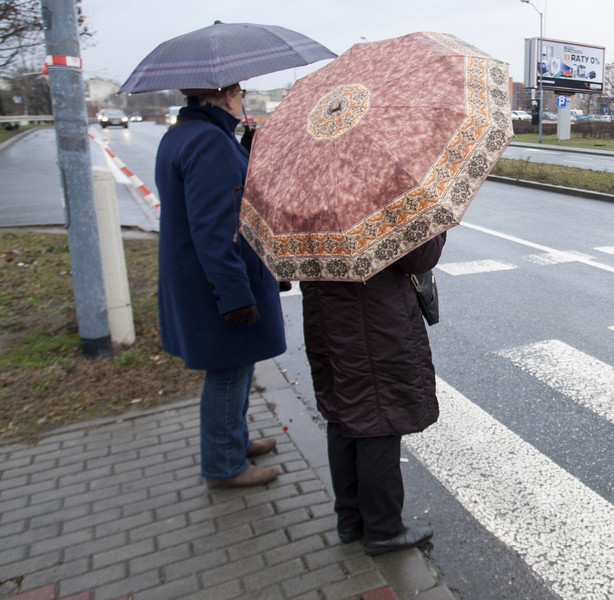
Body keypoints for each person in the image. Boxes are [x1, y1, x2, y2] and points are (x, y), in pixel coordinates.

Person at [155, 83, 287, 488]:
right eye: (241, 91)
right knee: (228, 371)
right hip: (216, 282)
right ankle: (224, 465)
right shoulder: (209, 143)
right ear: (227, 95)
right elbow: (216, 228)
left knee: (236, 366)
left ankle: (235, 441)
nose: (243, 98)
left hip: (197, 278)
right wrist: (234, 294)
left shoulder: (184, 134)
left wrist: (245, 151)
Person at [301, 233, 446, 556]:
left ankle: (350, 519)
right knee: (380, 417)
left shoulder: (306, 193)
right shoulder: (375, 190)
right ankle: (383, 528)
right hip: (374, 316)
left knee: (342, 413)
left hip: (324, 313)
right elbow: (419, 257)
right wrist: (436, 226)